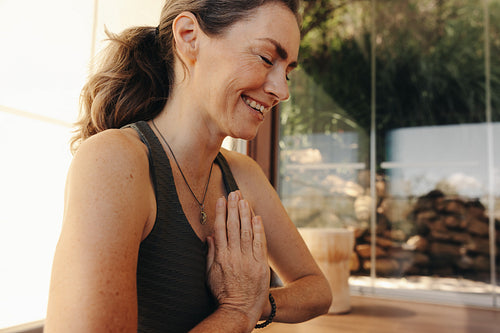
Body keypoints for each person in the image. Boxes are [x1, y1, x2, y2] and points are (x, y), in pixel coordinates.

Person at [45, 0, 332, 332]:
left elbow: (317, 289)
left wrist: (258, 301)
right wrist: (237, 310)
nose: (281, 90)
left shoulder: (242, 174)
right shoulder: (113, 161)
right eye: (267, 58)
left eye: (287, 72)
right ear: (188, 36)